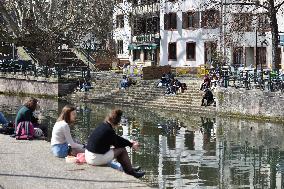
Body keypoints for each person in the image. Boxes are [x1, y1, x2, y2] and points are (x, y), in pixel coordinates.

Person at [85, 109, 145, 178]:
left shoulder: (103, 125)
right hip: (94, 159)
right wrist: (131, 144)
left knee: (118, 149)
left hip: (88, 155)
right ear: (117, 123)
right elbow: (118, 142)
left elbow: (116, 139)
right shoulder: (109, 131)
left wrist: (130, 143)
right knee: (122, 149)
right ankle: (131, 172)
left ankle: (129, 168)